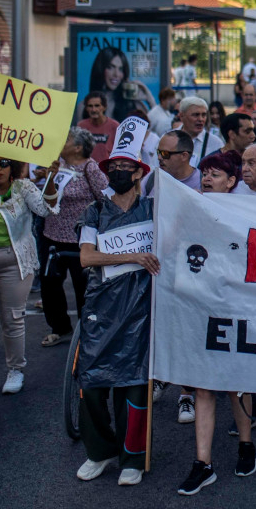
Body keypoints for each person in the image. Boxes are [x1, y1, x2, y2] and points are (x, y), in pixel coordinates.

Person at [73, 118, 158, 487]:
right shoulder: (95, 212)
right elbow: (86, 258)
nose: (120, 172)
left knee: (135, 385)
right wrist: (134, 258)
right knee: (91, 384)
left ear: (139, 172)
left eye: (127, 167)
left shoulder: (155, 210)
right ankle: (100, 450)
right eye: (115, 167)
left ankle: (132, 458)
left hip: (142, 309)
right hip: (101, 309)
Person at [176, 150, 256, 496]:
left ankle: (246, 445)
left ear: (232, 181)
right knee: (203, 386)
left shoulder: (247, 214)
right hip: (198, 309)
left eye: (215, 174)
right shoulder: (188, 210)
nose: (207, 179)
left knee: (236, 384)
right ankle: (203, 463)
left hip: (236, 310)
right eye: (205, 173)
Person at [0, 152, 60, 394]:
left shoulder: (24, 187)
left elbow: (46, 209)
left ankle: (15, 369)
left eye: (4, 163)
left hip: (16, 262)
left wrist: (51, 177)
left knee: (12, 318)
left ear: (13, 166)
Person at [40, 128, 108, 348]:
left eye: (66, 139)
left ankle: (85, 333)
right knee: (50, 285)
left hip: (81, 240)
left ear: (79, 147)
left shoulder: (90, 168)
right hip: (52, 236)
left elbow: (105, 199)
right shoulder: (56, 165)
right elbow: (47, 198)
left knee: (83, 287)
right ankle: (60, 328)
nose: (61, 141)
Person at [178, 97, 224, 166]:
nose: (201, 119)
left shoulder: (216, 143)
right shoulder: (168, 139)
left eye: (204, 115)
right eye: (196, 115)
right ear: (182, 116)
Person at [78, 92, 119, 163]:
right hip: (86, 170)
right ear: (86, 108)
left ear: (104, 107)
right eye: (90, 106)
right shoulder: (81, 126)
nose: (93, 110)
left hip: (107, 170)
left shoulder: (115, 126)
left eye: (97, 106)